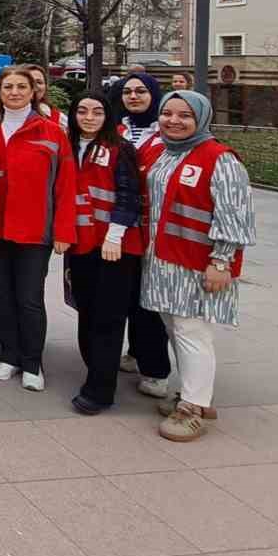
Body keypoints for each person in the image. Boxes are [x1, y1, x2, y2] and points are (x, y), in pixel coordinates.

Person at [138, 89, 254, 441]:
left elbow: (234, 214)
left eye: (184, 115)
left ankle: (193, 407)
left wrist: (221, 260)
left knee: (192, 332)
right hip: (163, 259)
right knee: (175, 328)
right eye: (167, 113)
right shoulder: (162, 151)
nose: (174, 120)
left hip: (197, 262)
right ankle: (192, 392)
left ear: (201, 119)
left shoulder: (219, 158)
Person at [0, 65, 77, 390]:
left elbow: (65, 186)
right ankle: (9, 355)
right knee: (2, 295)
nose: (15, 92)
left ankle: (33, 362)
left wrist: (64, 231)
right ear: (0, 91)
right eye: (8, 87)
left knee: (29, 298)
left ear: (34, 91)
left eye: (22, 86)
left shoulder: (51, 133)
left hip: (35, 231)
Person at [65, 95, 144, 414]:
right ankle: (95, 369)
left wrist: (115, 235)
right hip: (80, 244)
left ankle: (101, 390)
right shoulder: (68, 146)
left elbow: (129, 196)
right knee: (86, 309)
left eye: (97, 112)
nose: (89, 117)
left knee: (108, 317)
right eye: (82, 111)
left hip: (115, 247)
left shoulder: (120, 149)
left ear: (107, 116)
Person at [111, 72, 172, 392]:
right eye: (128, 91)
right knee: (128, 295)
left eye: (141, 91)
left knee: (149, 302)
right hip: (119, 228)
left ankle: (155, 369)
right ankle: (134, 353)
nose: (133, 97)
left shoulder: (166, 131)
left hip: (152, 228)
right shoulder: (117, 129)